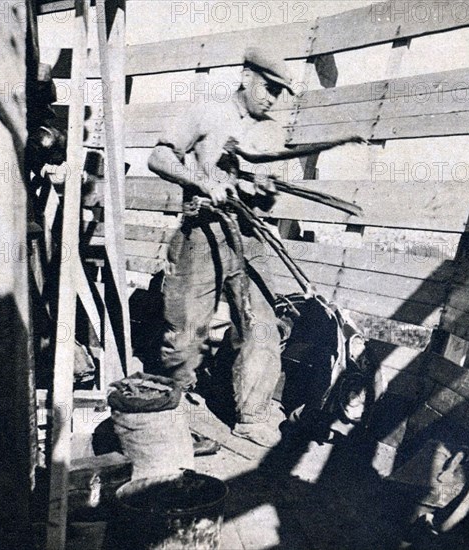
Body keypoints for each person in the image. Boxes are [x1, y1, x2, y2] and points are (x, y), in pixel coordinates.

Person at [148, 46, 365, 447]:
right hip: (202, 233)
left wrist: (261, 190)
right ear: (246, 75)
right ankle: (170, 406)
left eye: (280, 92)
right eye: (268, 87)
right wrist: (201, 182)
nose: (272, 98)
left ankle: (252, 416)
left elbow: (264, 192)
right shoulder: (205, 112)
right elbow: (159, 157)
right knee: (185, 329)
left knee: (262, 324)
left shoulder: (269, 131)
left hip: (250, 235)